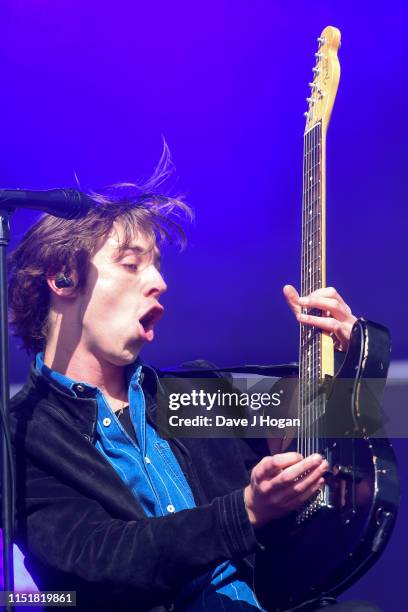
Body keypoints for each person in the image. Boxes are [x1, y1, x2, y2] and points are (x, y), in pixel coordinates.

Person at [8, 153, 381, 611]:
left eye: (158, 265)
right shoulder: (21, 432)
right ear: (62, 278)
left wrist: (353, 353)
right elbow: (96, 557)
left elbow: (348, 431)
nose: (159, 282)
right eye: (131, 264)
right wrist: (244, 511)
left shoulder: (198, 395)